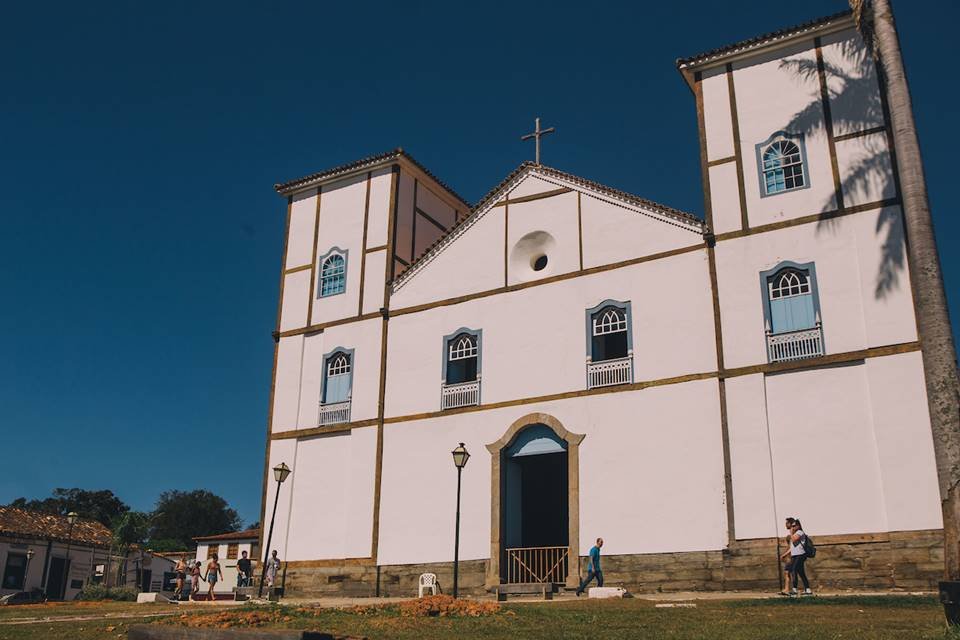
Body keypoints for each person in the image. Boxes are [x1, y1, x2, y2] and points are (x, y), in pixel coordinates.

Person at [779, 518, 812, 596]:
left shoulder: (800, 532)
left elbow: (793, 540)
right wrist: (784, 554)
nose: (793, 527)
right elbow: (792, 547)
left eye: (794, 526)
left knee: (793, 570)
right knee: (801, 573)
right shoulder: (795, 533)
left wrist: (791, 533)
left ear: (798, 525)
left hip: (800, 555)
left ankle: (794, 590)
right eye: (792, 526)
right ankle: (808, 590)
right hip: (795, 555)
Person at [779, 518, 796, 596]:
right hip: (790, 556)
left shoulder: (793, 533)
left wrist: (784, 555)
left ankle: (787, 589)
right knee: (788, 573)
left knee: (787, 573)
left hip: (791, 556)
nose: (785, 525)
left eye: (787, 523)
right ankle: (787, 589)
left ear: (790, 523)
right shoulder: (791, 533)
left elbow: (792, 547)